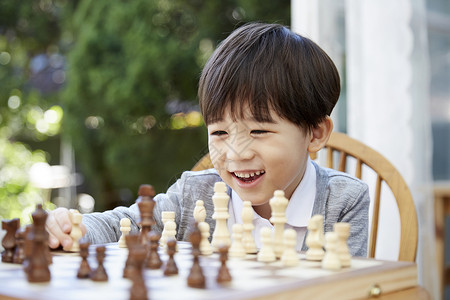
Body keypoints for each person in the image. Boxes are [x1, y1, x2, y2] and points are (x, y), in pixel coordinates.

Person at [45, 22, 369, 256]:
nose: (236, 153)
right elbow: (126, 225)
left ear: (315, 133)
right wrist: (74, 227)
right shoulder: (196, 194)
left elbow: (348, 287)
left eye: (259, 131)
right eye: (220, 132)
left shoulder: (342, 200)